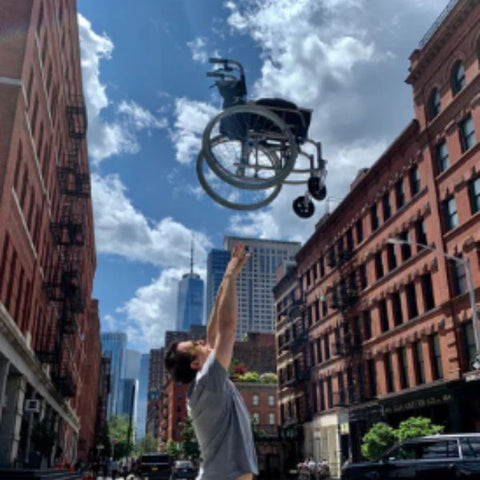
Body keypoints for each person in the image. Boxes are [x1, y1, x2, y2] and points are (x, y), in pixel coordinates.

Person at [165, 243, 258, 480]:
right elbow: (227, 328)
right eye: (195, 345)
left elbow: (213, 329)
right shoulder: (208, 381)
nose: (201, 341)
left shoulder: (205, 381)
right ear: (196, 364)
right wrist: (229, 275)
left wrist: (229, 275)